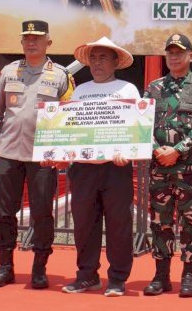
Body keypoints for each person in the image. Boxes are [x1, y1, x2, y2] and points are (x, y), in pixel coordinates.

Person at [0, 20, 75, 289]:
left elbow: (68, 116)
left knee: (42, 213)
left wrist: (60, 151)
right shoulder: (8, 72)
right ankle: (5, 265)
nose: (31, 42)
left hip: (43, 156)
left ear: (49, 42)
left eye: (37, 37)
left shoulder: (61, 76)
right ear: (22, 42)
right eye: (26, 38)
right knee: (3, 212)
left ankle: (39, 268)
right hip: (9, 153)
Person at [60, 37, 138, 297]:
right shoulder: (80, 90)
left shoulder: (128, 90)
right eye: (93, 58)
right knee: (83, 223)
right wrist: (58, 149)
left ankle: (117, 278)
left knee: (119, 224)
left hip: (116, 168)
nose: (97, 63)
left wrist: (127, 152)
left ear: (116, 62)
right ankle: (86, 275)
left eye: (103, 57)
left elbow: (136, 128)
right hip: (83, 168)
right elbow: (69, 127)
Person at [142, 33, 192, 298]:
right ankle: (161, 276)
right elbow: (142, 122)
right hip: (159, 166)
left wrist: (177, 150)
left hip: (188, 168)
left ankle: (188, 276)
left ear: (190, 56)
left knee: (190, 222)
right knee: (160, 222)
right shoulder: (154, 87)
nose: (174, 57)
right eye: (170, 52)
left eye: (179, 52)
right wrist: (155, 149)